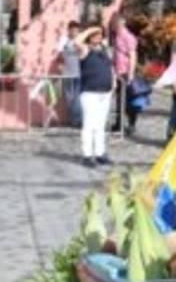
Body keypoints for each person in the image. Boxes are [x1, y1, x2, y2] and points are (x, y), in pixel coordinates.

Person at [76, 26, 116, 168]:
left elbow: (110, 67)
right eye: (95, 35)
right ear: (90, 37)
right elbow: (77, 41)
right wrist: (90, 29)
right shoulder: (85, 49)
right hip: (90, 92)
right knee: (89, 124)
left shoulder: (104, 50)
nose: (98, 37)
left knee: (100, 125)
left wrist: (114, 80)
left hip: (105, 92)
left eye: (100, 35)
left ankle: (100, 153)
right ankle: (87, 155)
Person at [109, 14, 137, 134]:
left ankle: (131, 124)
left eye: (114, 24)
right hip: (118, 71)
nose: (112, 27)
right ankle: (119, 123)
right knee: (120, 100)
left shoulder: (128, 37)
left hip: (125, 71)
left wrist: (131, 73)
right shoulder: (117, 37)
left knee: (128, 100)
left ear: (119, 24)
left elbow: (132, 55)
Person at [58, 21, 83, 128]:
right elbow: (59, 55)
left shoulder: (81, 40)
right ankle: (73, 120)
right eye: (72, 30)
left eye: (77, 31)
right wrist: (60, 64)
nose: (75, 32)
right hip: (67, 74)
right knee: (69, 97)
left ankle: (78, 121)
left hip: (79, 73)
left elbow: (84, 54)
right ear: (69, 30)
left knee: (77, 98)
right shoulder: (64, 40)